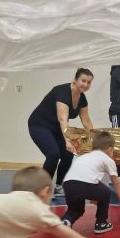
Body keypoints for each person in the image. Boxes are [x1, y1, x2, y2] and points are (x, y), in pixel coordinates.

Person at [28, 68, 95, 196]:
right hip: (39, 125)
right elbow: (62, 119)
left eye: (89, 82)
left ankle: (59, 186)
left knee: (68, 155)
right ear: (75, 80)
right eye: (83, 81)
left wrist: (94, 139)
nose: (86, 84)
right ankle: (42, 189)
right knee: (53, 154)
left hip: (56, 127)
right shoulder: (62, 92)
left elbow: (86, 121)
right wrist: (67, 140)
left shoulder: (82, 98)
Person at [61, 131, 120, 234]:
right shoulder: (107, 159)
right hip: (84, 184)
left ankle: (66, 222)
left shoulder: (83, 157)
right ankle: (101, 223)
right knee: (106, 192)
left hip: (68, 184)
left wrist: (93, 196)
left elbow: (85, 177)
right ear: (110, 149)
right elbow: (116, 182)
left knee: (75, 210)